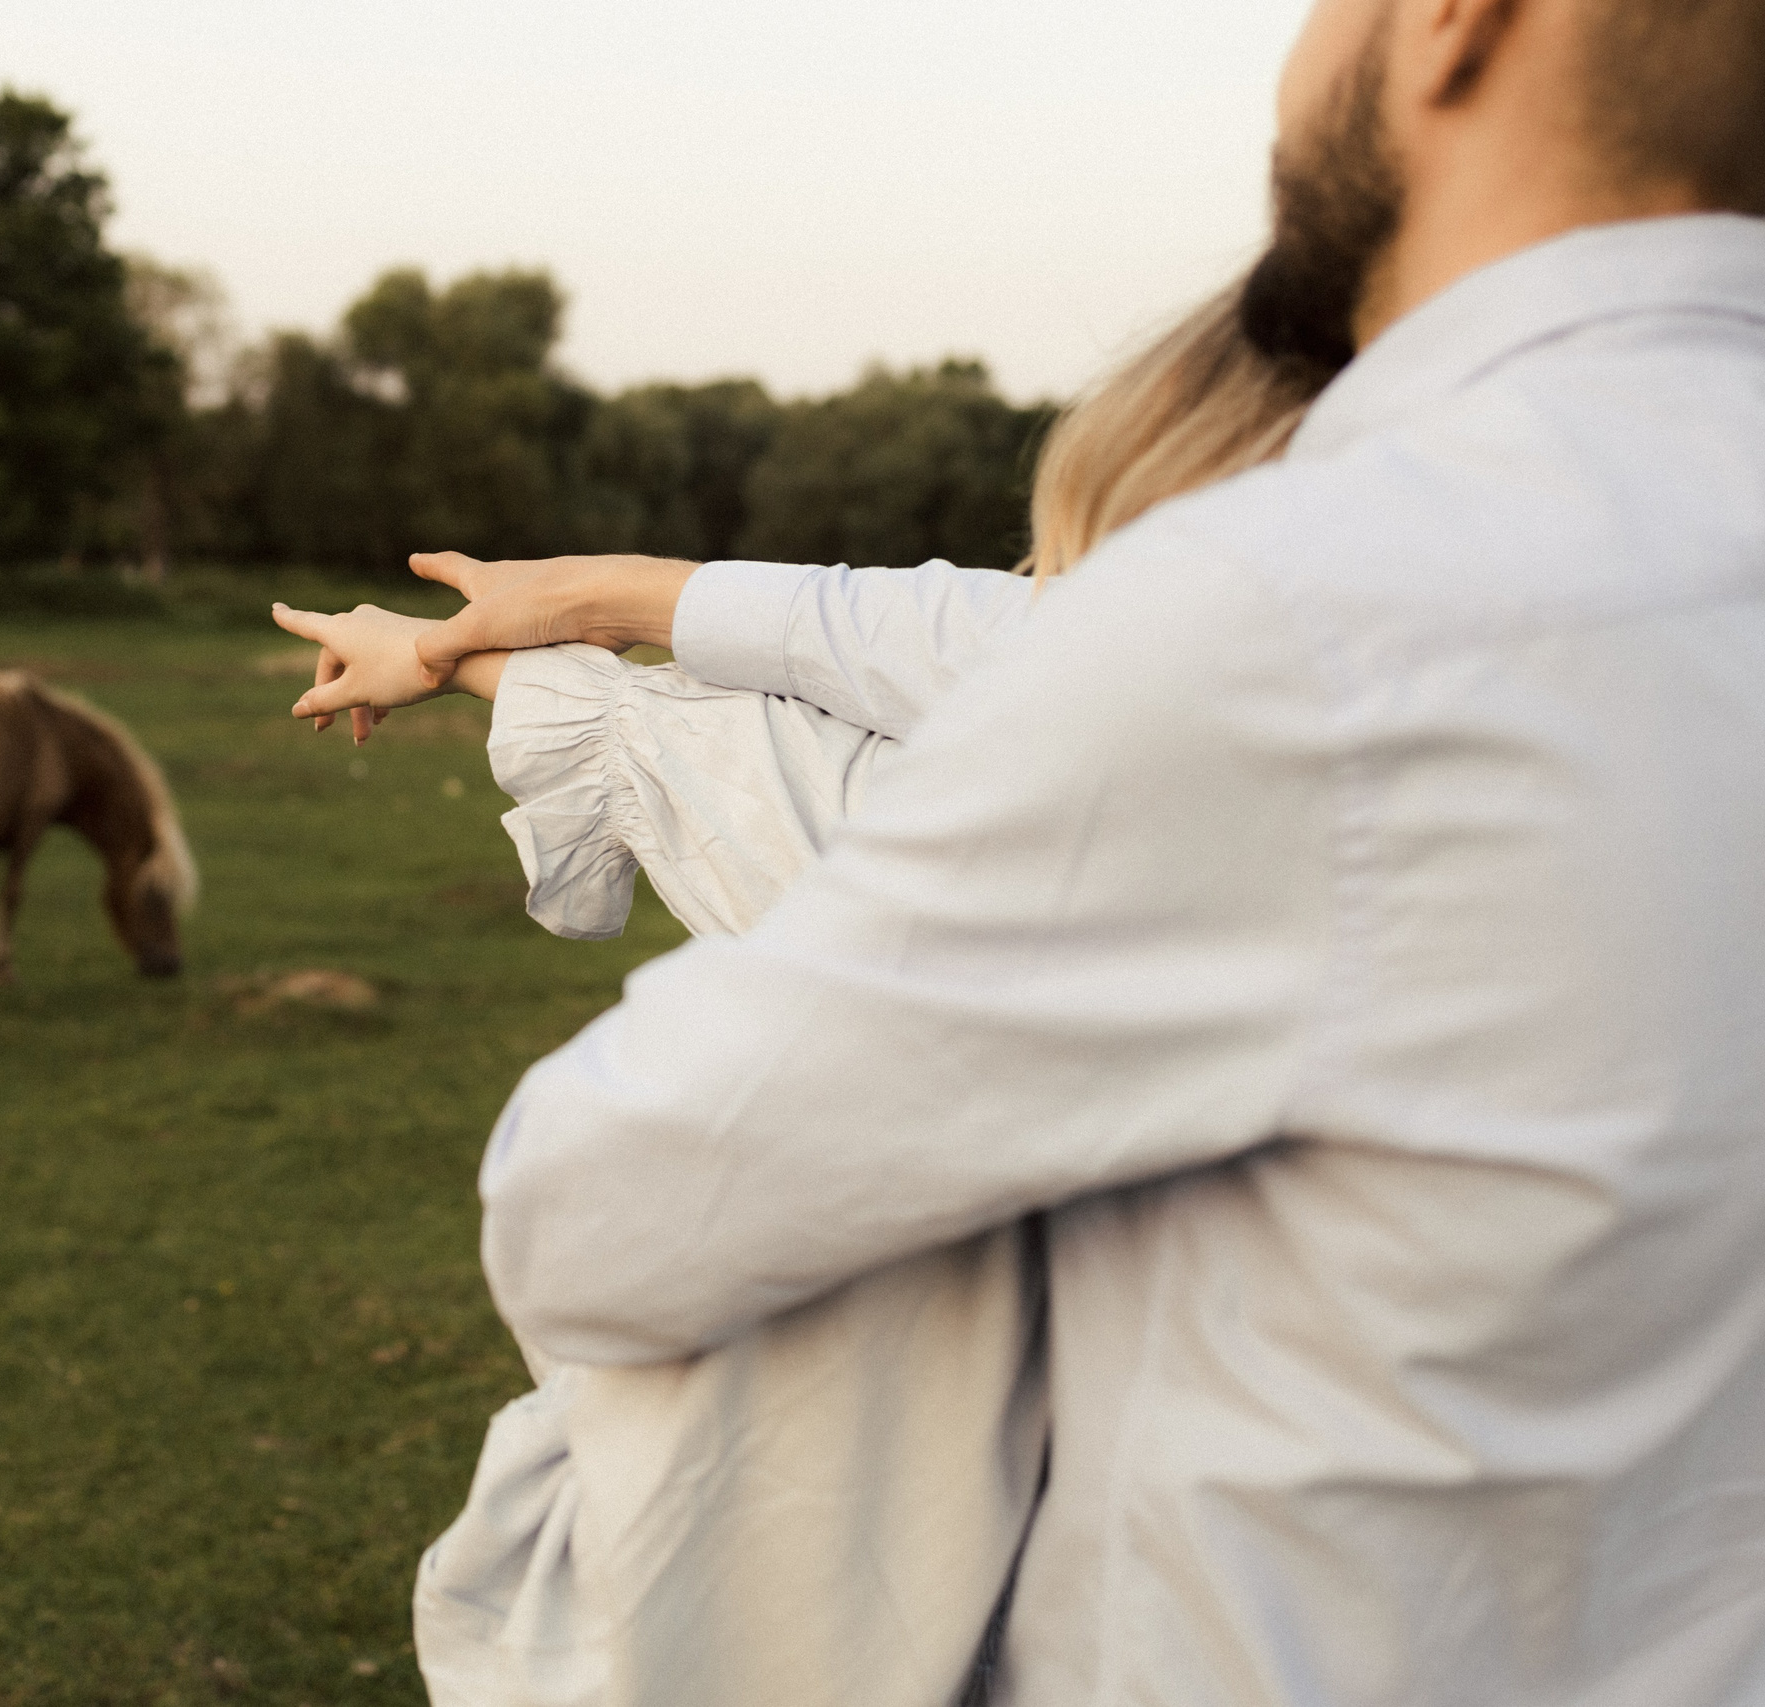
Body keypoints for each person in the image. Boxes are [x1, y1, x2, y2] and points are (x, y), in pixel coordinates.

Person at [285, 0, 1765, 1699]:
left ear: (1453, 23)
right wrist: (596, 600)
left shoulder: (1305, 620)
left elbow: (605, 1203)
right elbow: (975, 638)